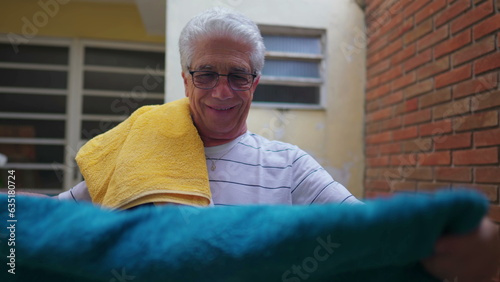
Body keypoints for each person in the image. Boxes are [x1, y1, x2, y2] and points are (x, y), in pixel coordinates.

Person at [54, 7, 499, 282]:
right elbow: (53, 222)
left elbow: (365, 230)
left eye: (238, 76)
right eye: (206, 74)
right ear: (186, 78)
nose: (222, 91)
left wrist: (464, 238)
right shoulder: (138, 147)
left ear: (256, 82)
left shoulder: (289, 166)